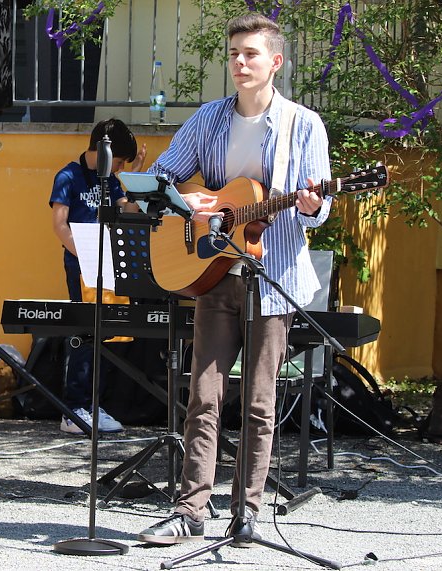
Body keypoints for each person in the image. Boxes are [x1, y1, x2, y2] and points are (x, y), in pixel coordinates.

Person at [137, 13, 331, 545]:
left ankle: (245, 513)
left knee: (260, 402)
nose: (240, 63)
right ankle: (189, 510)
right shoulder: (209, 118)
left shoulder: (303, 125)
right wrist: (190, 201)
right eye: (234, 55)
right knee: (203, 394)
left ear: (276, 62)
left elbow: (319, 211)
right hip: (213, 272)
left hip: (272, 277)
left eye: (251, 54)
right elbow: (159, 180)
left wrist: (313, 205)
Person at [49, 118, 147, 434]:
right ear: (104, 152)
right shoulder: (68, 176)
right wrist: (85, 253)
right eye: (118, 161)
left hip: (109, 263)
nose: (118, 167)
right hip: (82, 264)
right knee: (84, 334)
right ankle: (74, 408)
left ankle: (93, 405)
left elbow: (128, 211)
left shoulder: (112, 180)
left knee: (108, 333)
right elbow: (59, 224)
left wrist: (136, 179)